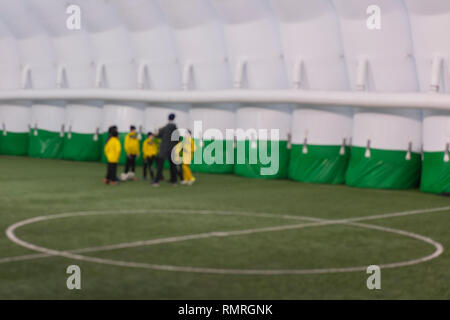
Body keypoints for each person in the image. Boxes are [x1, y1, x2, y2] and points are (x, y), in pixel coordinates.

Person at [152, 113, 178, 187]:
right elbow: (178, 139)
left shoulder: (165, 127)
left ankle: (156, 181)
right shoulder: (175, 128)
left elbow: (158, 136)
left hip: (164, 149)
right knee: (173, 166)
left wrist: (155, 133)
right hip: (172, 149)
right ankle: (174, 181)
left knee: (160, 166)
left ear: (168, 118)